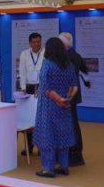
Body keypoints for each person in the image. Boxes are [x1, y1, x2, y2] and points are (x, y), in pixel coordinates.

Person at [33, 37, 77, 178]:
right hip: (64, 106)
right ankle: (63, 166)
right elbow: (74, 85)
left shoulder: (47, 64)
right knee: (63, 134)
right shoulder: (69, 65)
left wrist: (58, 100)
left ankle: (48, 168)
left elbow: (46, 88)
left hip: (49, 106)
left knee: (47, 136)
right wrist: (67, 99)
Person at [59, 32, 91, 167]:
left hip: (67, 95)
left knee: (70, 124)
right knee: (73, 123)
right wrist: (87, 82)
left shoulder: (64, 57)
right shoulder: (76, 55)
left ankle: (74, 154)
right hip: (74, 94)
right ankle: (75, 154)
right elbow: (85, 72)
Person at [17, 32, 44, 153]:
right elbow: (22, 72)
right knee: (28, 117)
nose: (36, 44)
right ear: (30, 43)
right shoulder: (24, 54)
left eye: (38, 41)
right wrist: (23, 88)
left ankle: (41, 146)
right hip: (28, 88)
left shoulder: (45, 53)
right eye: (34, 42)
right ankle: (29, 146)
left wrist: (43, 87)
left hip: (41, 87)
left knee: (40, 118)